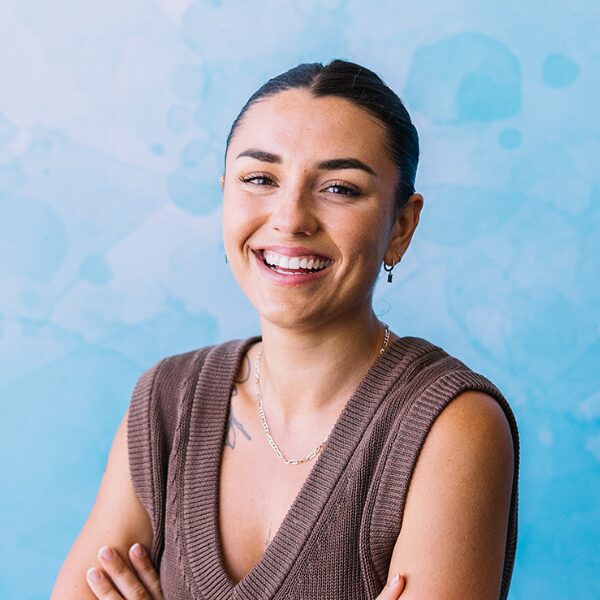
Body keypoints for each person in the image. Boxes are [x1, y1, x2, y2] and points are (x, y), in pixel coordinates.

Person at [51, 59, 519, 599]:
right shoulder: (166, 399)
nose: (291, 218)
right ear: (225, 194)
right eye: (260, 179)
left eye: (340, 188)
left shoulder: (450, 426)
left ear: (401, 226)